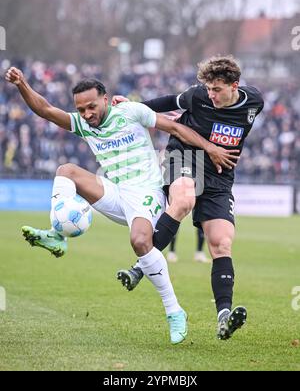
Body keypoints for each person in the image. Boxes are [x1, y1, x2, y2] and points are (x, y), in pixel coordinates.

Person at [5, 66, 238, 345]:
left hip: (147, 193)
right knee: (66, 170)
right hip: (116, 192)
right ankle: (58, 236)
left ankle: (174, 311)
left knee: (140, 241)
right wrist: (22, 84)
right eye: (81, 110)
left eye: (91, 106)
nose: (87, 114)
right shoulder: (82, 124)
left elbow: (176, 127)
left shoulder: (131, 112)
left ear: (106, 99)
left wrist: (210, 148)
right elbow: (45, 109)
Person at [115, 55, 264, 340]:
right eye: (208, 89)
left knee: (221, 242)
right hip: (185, 155)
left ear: (235, 86)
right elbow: (170, 101)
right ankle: (139, 267)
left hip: (220, 175)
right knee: (183, 200)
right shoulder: (197, 97)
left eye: (217, 89)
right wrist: (131, 107)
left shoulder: (255, 102)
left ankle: (223, 316)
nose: (211, 94)